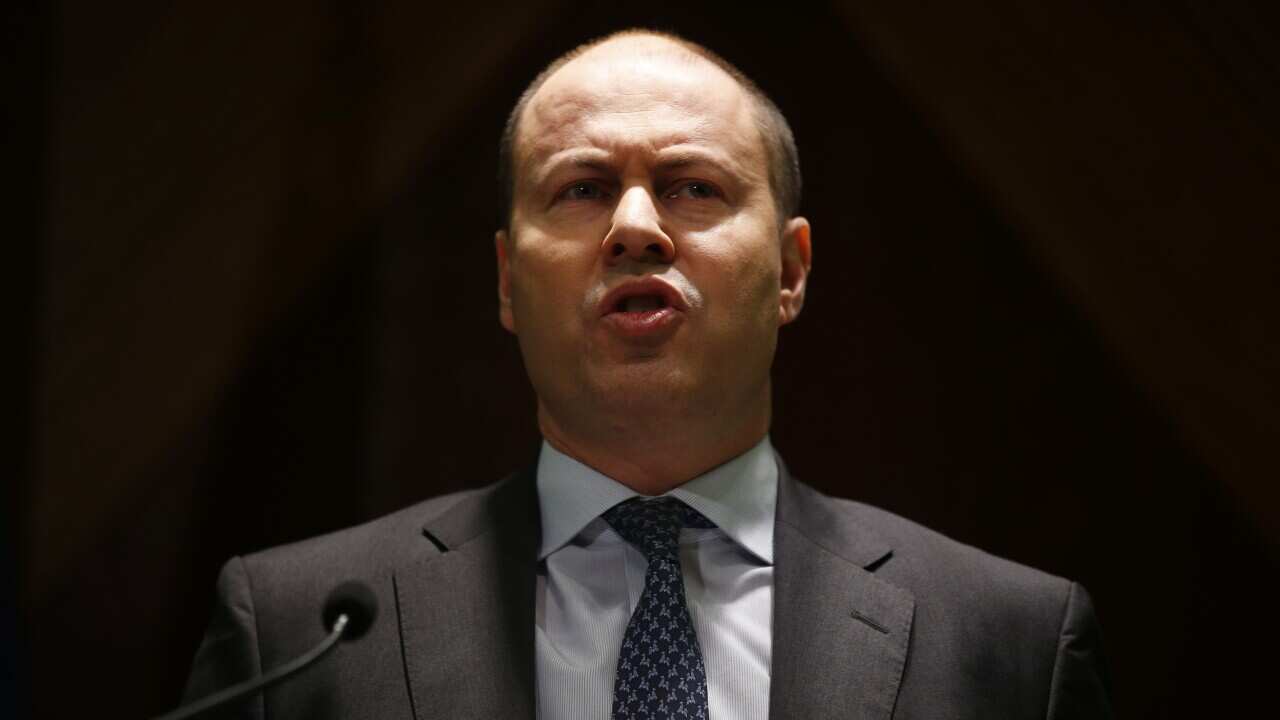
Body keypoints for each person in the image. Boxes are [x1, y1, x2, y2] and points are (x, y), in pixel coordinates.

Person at [183, 29, 1113, 719]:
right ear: (508, 280)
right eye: (583, 189)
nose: (636, 227)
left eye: (692, 187)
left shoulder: (1010, 644)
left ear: (790, 272)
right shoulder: (301, 635)